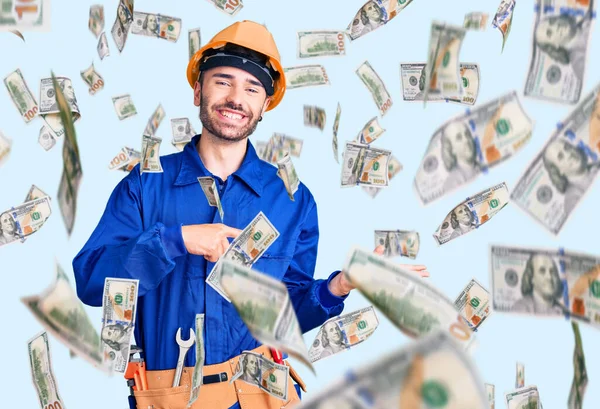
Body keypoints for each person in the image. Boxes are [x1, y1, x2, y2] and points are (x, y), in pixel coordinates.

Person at [73, 20, 428, 409]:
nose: (235, 98)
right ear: (198, 90)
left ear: (264, 106)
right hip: (171, 397)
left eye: (252, 88)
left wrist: (337, 287)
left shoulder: (292, 201)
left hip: (264, 397)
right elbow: (92, 283)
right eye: (222, 81)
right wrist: (175, 240)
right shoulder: (144, 186)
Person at [542, 138, 598, 213]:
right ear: (558, 171)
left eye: (567, 148)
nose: (569, 154)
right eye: (560, 157)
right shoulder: (573, 200)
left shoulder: (596, 165)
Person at [534, 9, 593, 79]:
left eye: (552, 21)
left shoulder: (589, 14)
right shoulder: (578, 62)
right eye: (550, 33)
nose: (556, 26)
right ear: (555, 46)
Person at [440, 121, 479, 192]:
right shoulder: (452, 182)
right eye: (459, 138)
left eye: (467, 134)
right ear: (451, 149)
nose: (466, 140)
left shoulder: (481, 167)